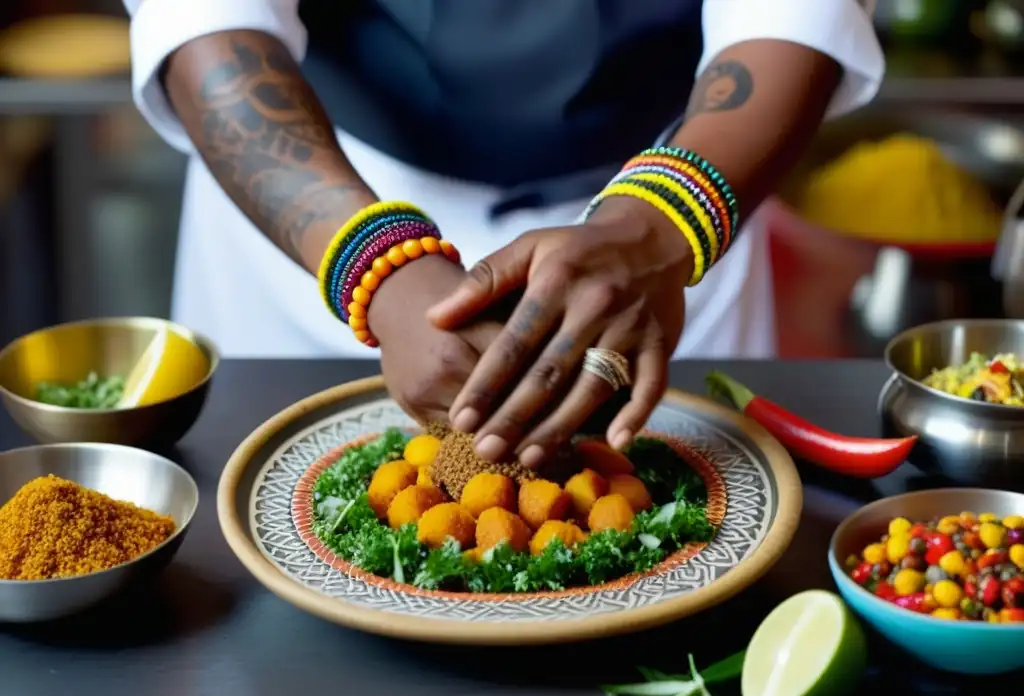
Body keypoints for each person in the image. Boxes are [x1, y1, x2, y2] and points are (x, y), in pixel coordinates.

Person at [123, 0, 883, 466]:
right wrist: (375, 266)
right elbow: (205, 20)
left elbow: (794, 14)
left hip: (663, 226)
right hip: (321, 215)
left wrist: (661, 222)